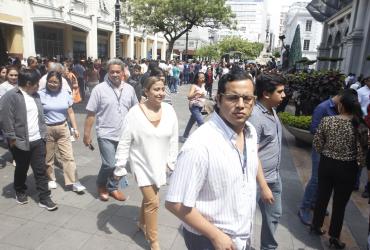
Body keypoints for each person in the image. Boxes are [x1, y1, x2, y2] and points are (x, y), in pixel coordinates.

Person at [165, 71, 273, 250]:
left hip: (241, 235)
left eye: (247, 98)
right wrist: (215, 236)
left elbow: (252, 160)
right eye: (233, 98)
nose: (240, 105)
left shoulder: (250, 131)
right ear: (219, 99)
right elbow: (175, 203)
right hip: (209, 240)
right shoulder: (200, 144)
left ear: (254, 101)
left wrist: (263, 186)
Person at [113, 76, 178, 250]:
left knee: (150, 199)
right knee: (153, 202)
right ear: (146, 91)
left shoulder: (169, 111)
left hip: (160, 163)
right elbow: (125, 141)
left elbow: (173, 138)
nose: (161, 93)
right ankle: (153, 240)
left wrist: (171, 161)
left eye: (162, 89)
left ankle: (142, 224)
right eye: (156, 89)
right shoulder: (134, 113)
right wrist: (120, 166)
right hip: (141, 163)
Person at [310, 90, 368, 249]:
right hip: (347, 169)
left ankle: (316, 225)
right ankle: (334, 237)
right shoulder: (360, 124)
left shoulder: (328, 121)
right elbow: (362, 154)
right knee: (340, 205)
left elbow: (317, 145)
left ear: (341, 106)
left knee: (322, 197)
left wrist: (329, 152)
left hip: (326, 165)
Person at [0, 69, 57, 211]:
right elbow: (5, 119)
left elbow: (40, 116)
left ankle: (45, 198)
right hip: (20, 141)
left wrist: (44, 134)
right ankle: (19, 189)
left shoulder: (36, 95)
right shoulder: (11, 96)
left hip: (38, 139)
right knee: (22, 168)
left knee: (40, 170)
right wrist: (12, 138)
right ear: (28, 83)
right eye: (37, 83)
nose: (39, 85)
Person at [83, 58, 138, 201]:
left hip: (125, 134)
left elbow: (135, 111)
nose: (114, 74)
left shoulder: (130, 89)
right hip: (105, 133)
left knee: (120, 164)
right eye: (112, 72)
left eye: (117, 72)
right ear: (107, 72)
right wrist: (86, 134)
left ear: (123, 73)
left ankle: (113, 187)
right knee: (109, 163)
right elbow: (90, 113)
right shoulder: (99, 89)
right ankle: (101, 184)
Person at [248, 73, 286, 250]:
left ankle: (268, 247)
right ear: (266, 94)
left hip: (274, 177)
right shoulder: (255, 116)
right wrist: (263, 186)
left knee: (274, 216)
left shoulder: (272, 109)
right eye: (280, 91)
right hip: (256, 181)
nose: (284, 95)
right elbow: (252, 152)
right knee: (245, 220)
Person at [297, 92, 342, 225]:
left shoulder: (337, 109)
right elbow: (313, 129)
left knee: (323, 178)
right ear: (339, 97)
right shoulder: (323, 108)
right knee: (316, 179)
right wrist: (332, 135)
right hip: (320, 149)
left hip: (330, 150)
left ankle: (314, 203)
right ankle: (304, 208)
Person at [38, 71, 86, 193]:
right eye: (50, 81)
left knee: (68, 156)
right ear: (46, 81)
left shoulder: (65, 94)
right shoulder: (40, 94)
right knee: (48, 157)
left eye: (55, 82)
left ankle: (73, 181)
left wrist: (75, 128)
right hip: (47, 128)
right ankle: (51, 179)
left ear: (60, 83)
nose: (52, 84)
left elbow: (70, 112)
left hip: (63, 128)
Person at [180, 72, 207, 142]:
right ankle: (203, 140)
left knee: (191, 122)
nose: (202, 79)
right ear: (197, 79)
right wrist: (196, 93)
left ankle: (184, 136)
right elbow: (189, 97)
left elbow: (203, 96)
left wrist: (202, 96)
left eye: (203, 77)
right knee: (201, 122)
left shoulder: (203, 85)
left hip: (200, 106)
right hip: (194, 106)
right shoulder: (194, 86)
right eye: (201, 78)